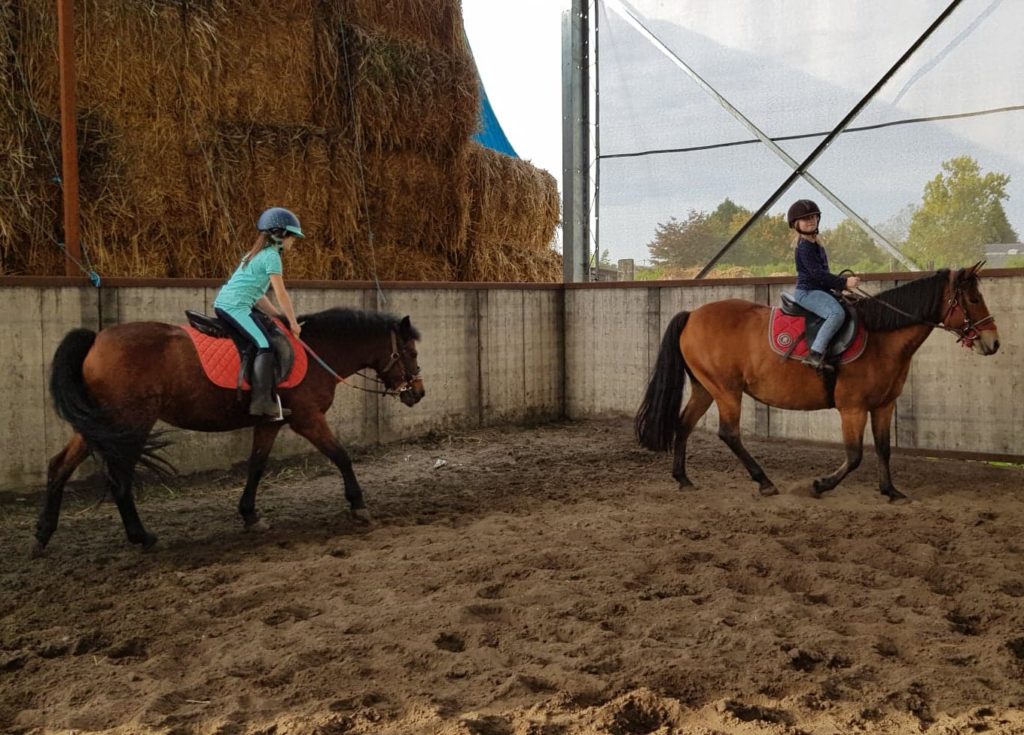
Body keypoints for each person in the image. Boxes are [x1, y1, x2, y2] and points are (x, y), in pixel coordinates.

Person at [213, 207, 304, 419]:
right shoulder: (272, 257)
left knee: (264, 336)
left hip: (231, 304)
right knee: (265, 344)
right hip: (233, 308)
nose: (293, 242)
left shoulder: (255, 254)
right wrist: (292, 322)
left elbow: (259, 295)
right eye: (292, 238)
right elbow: (281, 293)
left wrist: (276, 316)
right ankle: (261, 403)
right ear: (280, 235)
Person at [788, 199, 859, 372]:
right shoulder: (804, 246)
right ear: (797, 224)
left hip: (820, 289)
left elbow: (823, 274)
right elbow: (817, 274)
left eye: (813, 217)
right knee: (836, 313)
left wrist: (839, 289)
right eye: (806, 219)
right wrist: (844, 282)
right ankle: (815, 353)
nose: (811, 220)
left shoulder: (816, 244)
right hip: (808, 292)